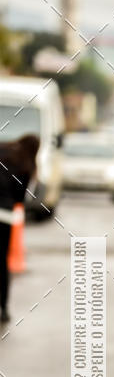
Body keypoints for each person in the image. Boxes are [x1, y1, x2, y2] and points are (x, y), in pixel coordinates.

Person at [0, 134, 40, 323]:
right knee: (2, 263)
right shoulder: (26, 165)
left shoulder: (2, 149)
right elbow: (20, 198)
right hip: (5, 217)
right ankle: (4, 308)